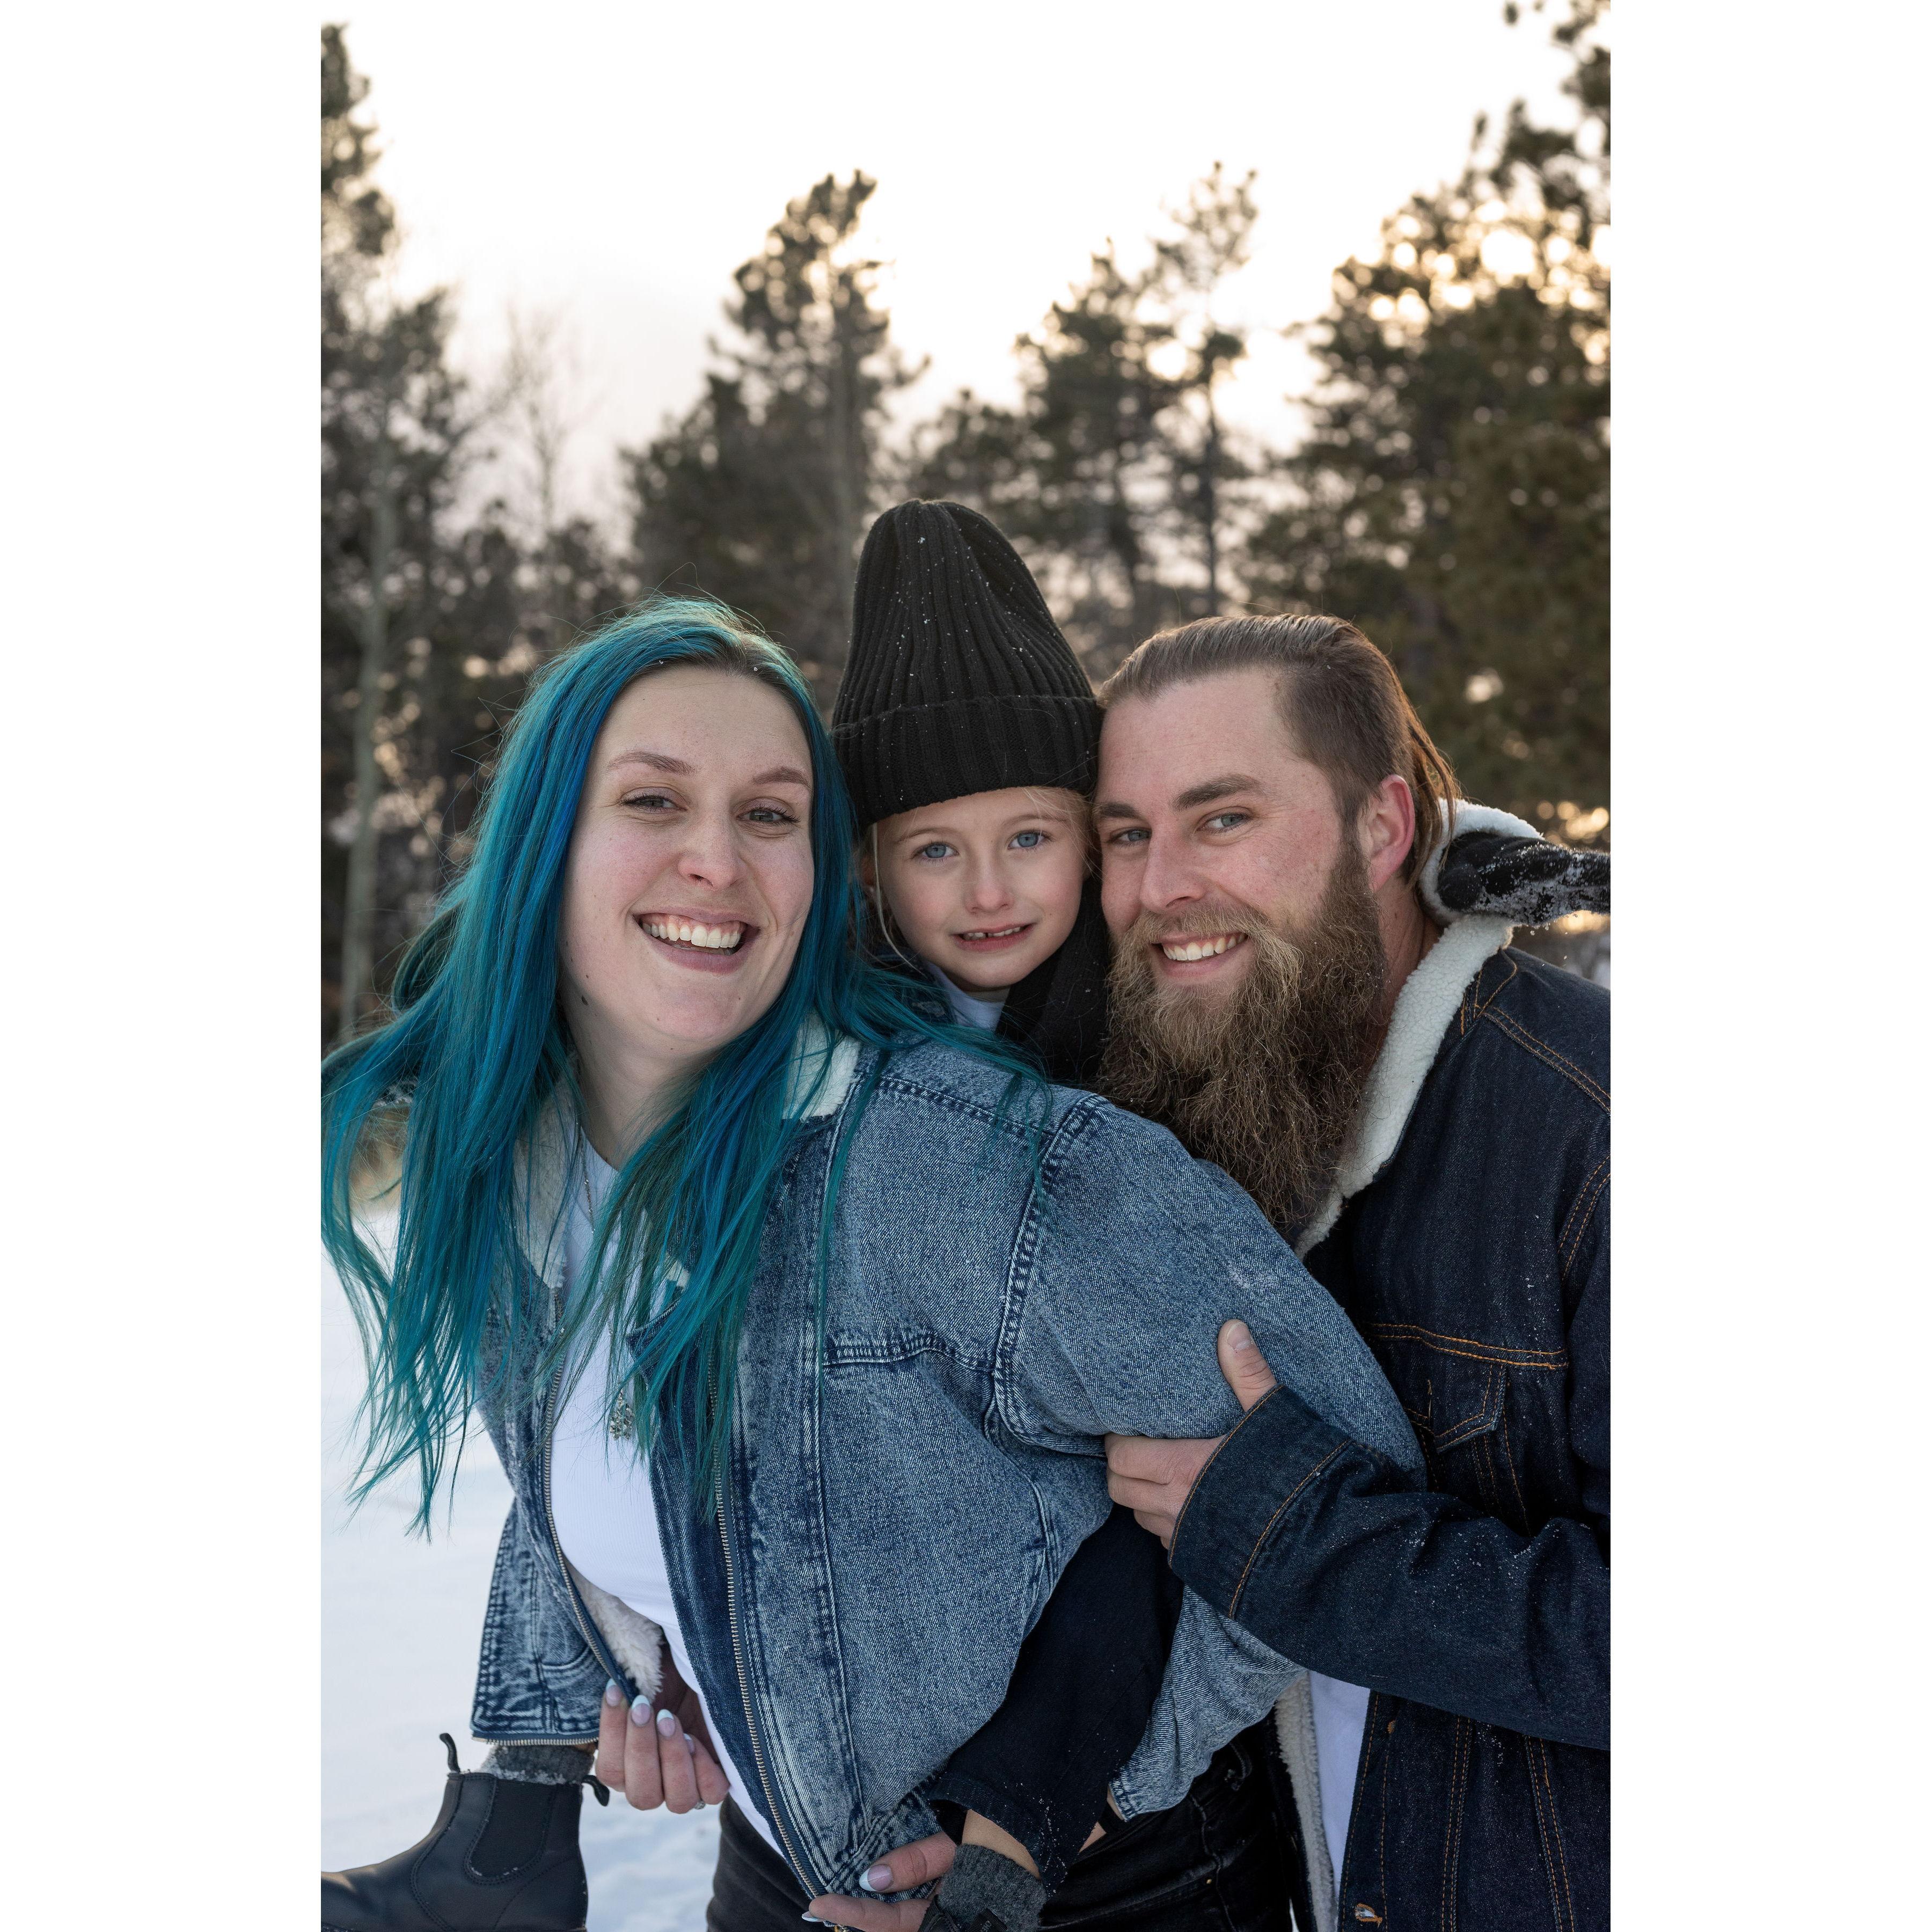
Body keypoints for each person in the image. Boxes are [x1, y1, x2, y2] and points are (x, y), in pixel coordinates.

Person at [317, 598, 1432, 1932]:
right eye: (655, 801)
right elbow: (623, 1469)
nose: (716, 860)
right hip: (783, 1864)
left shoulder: (962, 1163)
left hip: (1098, 1901)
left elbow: (1340, 1470)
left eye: (770, 814)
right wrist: (648, 1667)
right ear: (543, 842)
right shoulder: (516, 1166)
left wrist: (1040, 1821)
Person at [1092, 616, 1609, 1932]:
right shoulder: (1199, 1118)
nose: (1159, 887)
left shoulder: (1596, 1130)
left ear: (1382, 828)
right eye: (1126, 835)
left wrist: (1295, 1535)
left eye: (1222, 819)